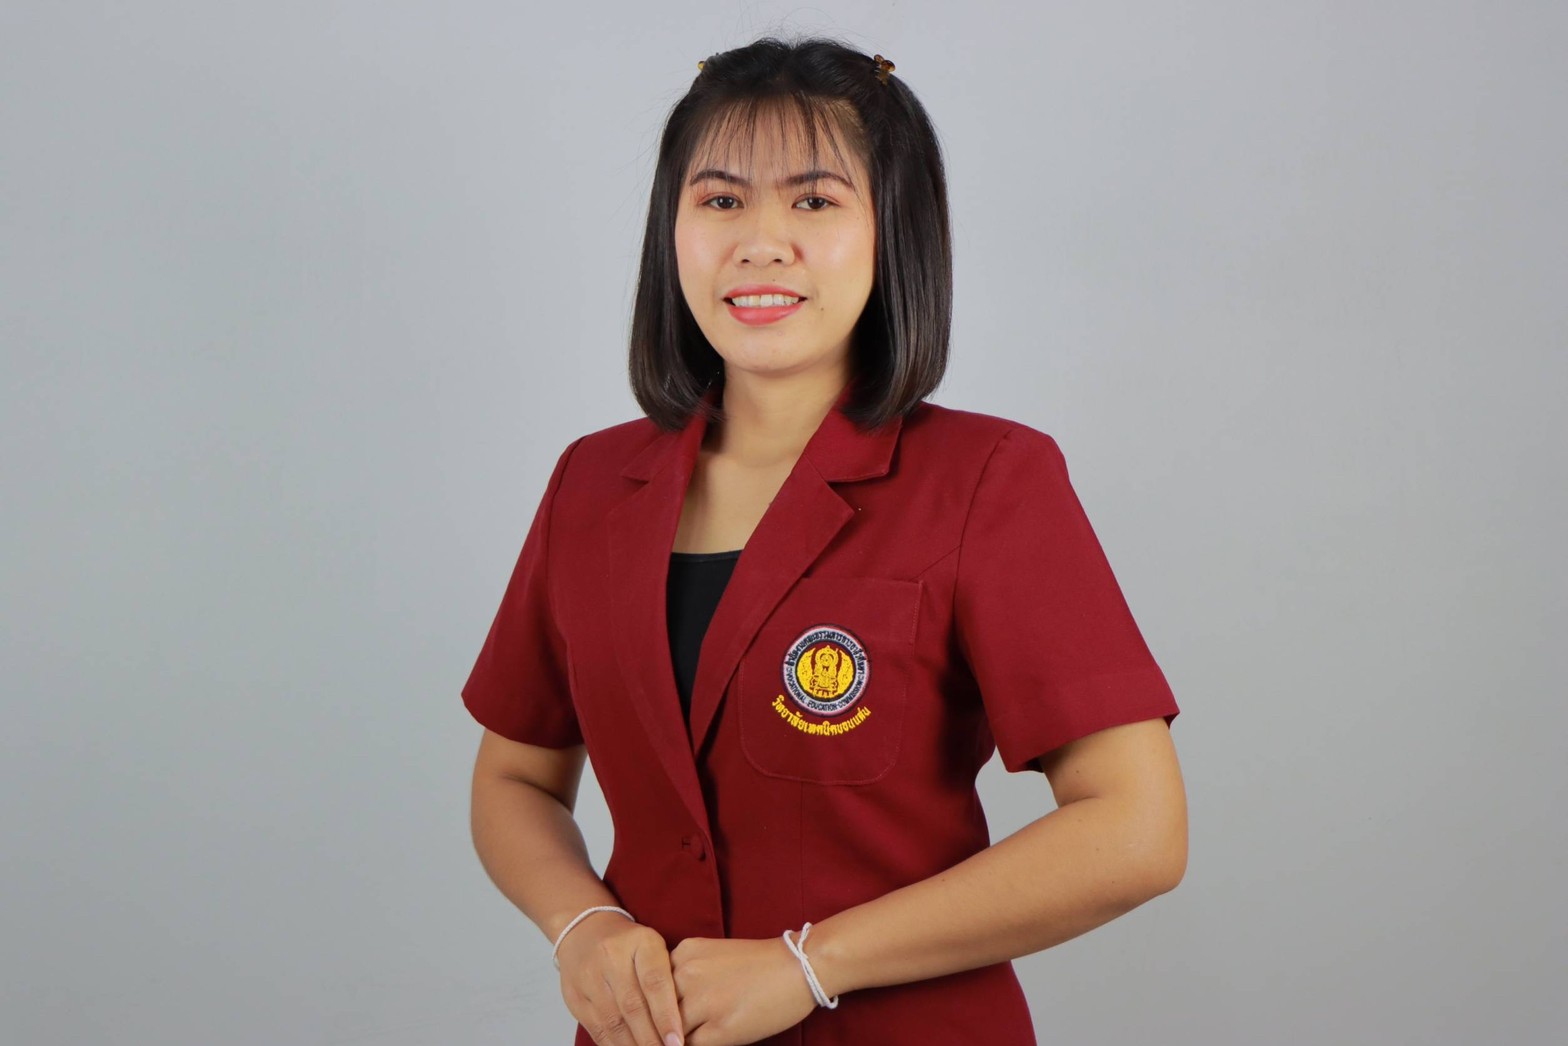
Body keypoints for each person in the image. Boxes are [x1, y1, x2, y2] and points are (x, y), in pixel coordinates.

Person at [461, 35, 1187, 1046]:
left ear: (893, 230)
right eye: (720, 199)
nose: (760, 243)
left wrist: (812, 962)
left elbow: (1136, 828)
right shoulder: (591, 483)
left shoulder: (988, 479)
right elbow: (514, 779)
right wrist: (579, 924)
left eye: (813, 200)